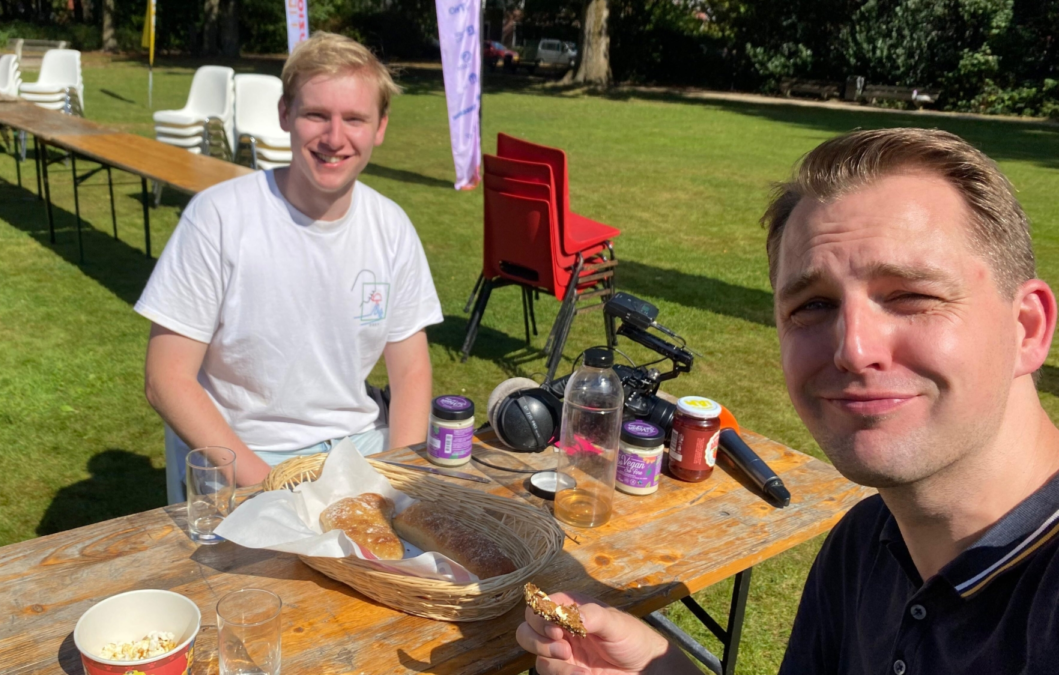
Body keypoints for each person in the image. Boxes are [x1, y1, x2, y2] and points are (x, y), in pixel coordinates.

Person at [517, 128, 1059, 674]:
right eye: (814, 305)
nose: (853, 349)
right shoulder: (864, 543)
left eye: (912, 296)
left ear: (1027, 328)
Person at [136, 32, 443, 504]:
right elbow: (166, 378)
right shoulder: (218, 216)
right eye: (316, 114)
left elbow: (411, 371)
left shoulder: (391, 226)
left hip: (358, 449)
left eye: (354, 119)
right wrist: (266, 484)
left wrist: (395, 476)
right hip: (247, 452)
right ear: (285, 115)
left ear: (380, 127)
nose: (334, 138)